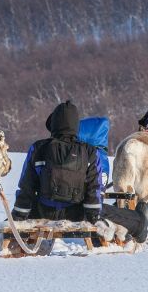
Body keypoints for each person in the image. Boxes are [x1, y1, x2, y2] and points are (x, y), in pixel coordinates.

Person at [12, 101, 148, 242]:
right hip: (77, 212)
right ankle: (140, 224)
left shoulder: (37, 148)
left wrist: (19, 217)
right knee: (127, 216)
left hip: (42, 211)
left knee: (14, 214)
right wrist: (94, 216)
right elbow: (94, 189)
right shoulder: (90, 152)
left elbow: (26, 187)